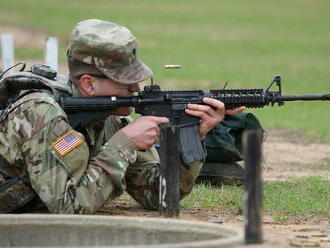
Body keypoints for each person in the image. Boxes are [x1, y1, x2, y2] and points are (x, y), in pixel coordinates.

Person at [0, 19, 244, 213]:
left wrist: (194, 137)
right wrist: (123, 144)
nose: (136, 88)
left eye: (136, 78)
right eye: (125, 80)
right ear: (89, 85)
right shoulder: (42, 114)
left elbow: (160, 195)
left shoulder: (109, 117)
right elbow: (69, 207)